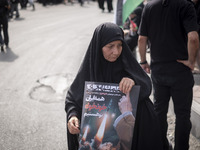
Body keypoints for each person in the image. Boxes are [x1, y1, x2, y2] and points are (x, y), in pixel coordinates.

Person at [65, 22, 163, 150]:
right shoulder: (90, 70)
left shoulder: (125, 63)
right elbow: (73, 98)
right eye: (110, 46)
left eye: (120, 45)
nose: (116, 52)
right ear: (99, 46)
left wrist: (133, 80)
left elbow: (146, 84)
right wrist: (72, 115)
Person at [138, 0, 199, 150]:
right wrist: (191, 62)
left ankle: (161, 146)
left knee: (159, 112)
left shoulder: (149, 6)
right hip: (180, 71)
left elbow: (141, 39)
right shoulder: (185, 5)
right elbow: (193, 37)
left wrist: (143, 61)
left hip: (158, 71)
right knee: (183, 115)